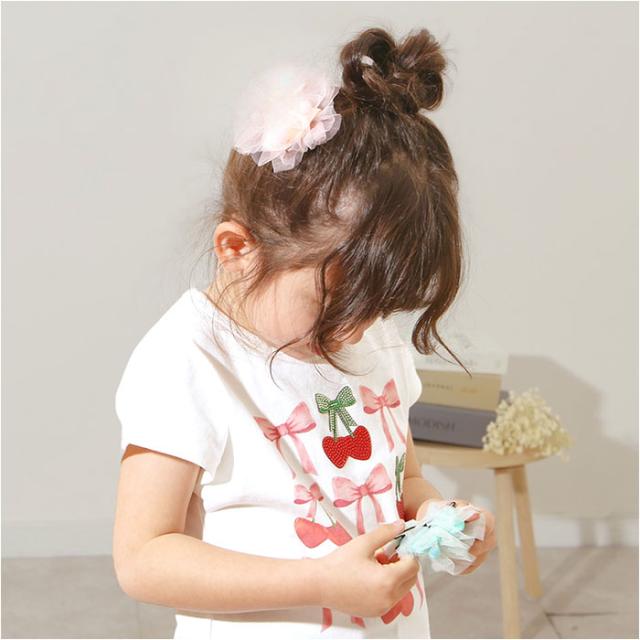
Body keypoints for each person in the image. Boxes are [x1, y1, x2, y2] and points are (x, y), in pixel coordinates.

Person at [112, 25, 496, 640]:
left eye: (378, 306)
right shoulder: (187, 359)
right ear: (238, 249)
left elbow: (404, 478)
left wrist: (435, 514)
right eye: (335, 304)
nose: (358, 328)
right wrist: (320, 583)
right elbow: (143, 557)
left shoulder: (372, 340)